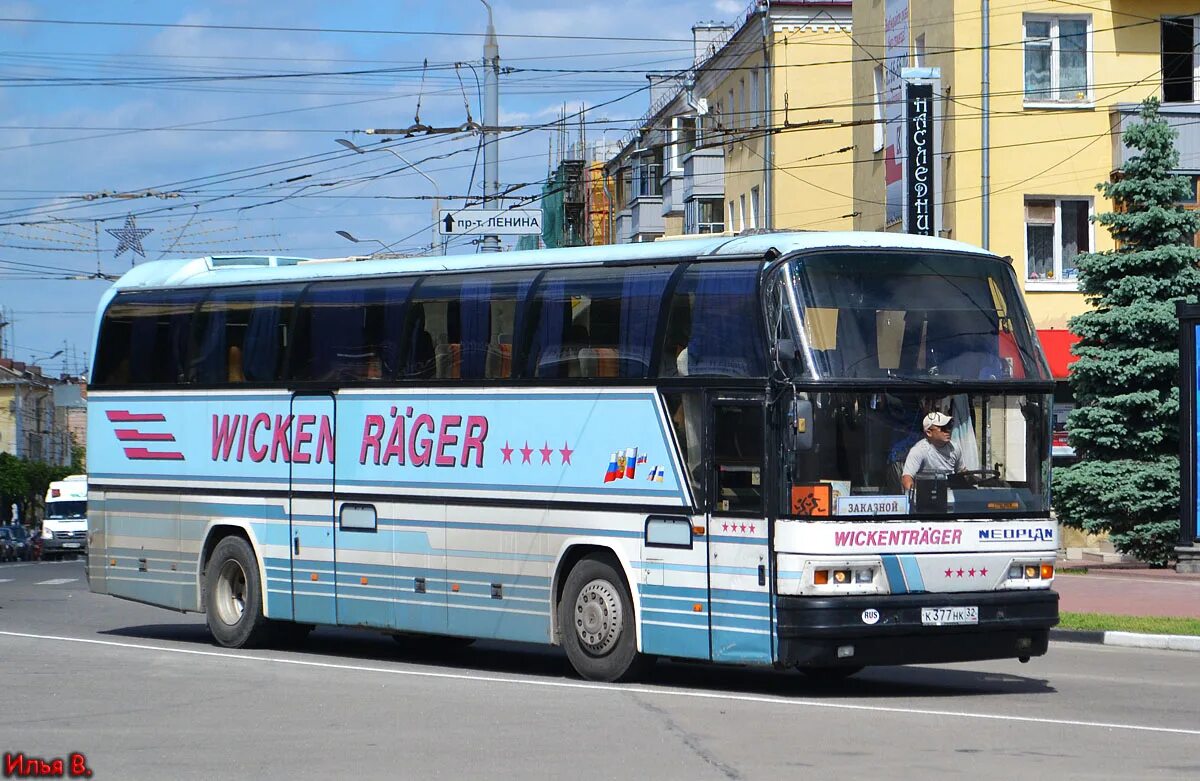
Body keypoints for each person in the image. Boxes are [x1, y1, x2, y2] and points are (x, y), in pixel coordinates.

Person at [901, 411, 964, 491]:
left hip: (951, 495)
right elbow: (907, 478)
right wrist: (915, 494)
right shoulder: (918, 450)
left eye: (949, 426)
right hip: (927, 496)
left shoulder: (955, 447)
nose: (947, 430)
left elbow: (961, 472)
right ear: (929, 432)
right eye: (943, 428)